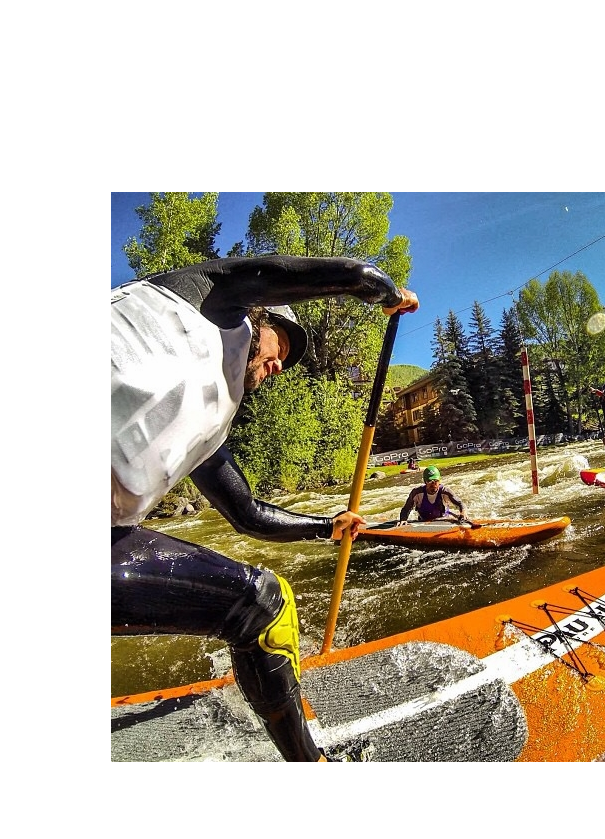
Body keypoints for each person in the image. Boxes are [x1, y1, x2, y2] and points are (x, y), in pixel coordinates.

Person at [112, 255, 419, 762]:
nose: (279, 365)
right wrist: (384, 293)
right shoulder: (206, 301)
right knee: (267, 606)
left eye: (291, 361)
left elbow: (249, 515)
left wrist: (327, 526)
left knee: (261, 604)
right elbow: (351, 275)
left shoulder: (206, 426)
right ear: (261, 316)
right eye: (283, 346)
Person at [398, 465, 468, 523]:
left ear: (439, 480)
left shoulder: (445, 492)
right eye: (430, 481)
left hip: (443, 520)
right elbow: (406, 509)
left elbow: (460, 503)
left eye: (436, 481)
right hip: (423, 521)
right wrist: (403, 519)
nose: (433, 484)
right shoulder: (416, 493)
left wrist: (463, 513)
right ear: (425, 482)